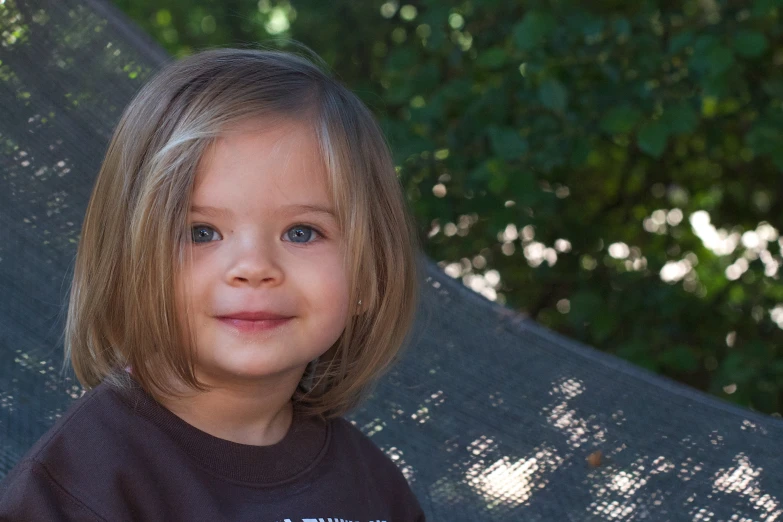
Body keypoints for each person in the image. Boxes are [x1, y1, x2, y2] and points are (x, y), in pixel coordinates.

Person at [0, 47, 425, 521]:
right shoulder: (76, 491)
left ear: (369, 272)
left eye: (302, 232)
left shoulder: (373, 486)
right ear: (125, 266)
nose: (254, 266)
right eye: (201, 233)